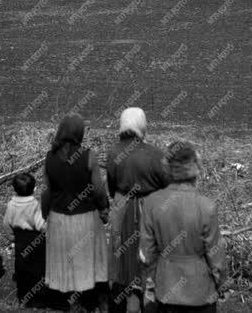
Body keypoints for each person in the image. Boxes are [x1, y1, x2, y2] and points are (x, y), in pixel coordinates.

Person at [140, 140, 227, 313]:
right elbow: (217, 257)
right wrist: (221, 284)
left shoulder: (152, 203)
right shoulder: (206, 206)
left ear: (167, 169)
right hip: (201, 294)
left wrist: (150, 284)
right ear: (195, 169)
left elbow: (146, 254)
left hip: (166, 291)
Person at [106, 107, 170, 313]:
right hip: (148, 211)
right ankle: (148, 301)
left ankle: (127, 298)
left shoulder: (114, 152)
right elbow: (167, 186)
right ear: (142, 126)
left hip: (122, 208)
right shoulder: (155, 154)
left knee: (124, 260)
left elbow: (111, 186)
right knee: (148, 260)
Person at [43, 114, 109, 311]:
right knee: (91, 259)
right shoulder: (89, 156)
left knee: (68, 260)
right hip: (85, 217)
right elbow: (98, 189)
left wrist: (45, 213)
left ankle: (74, 302)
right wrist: (104, 208)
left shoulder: (50, 157)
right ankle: (101, 302)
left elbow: (48, 191)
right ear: (79, 133)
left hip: (59, 218)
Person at [3, 172, 47, 307]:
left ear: (14, 189)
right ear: (34, 189)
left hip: (20, 239)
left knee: (21, 268)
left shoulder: (11, 204)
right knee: (38, 269)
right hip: (35, 239)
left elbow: (6, 223)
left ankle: (23, 297)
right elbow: (41, 225)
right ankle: (38, 299)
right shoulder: (35, 205)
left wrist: (11, 236)